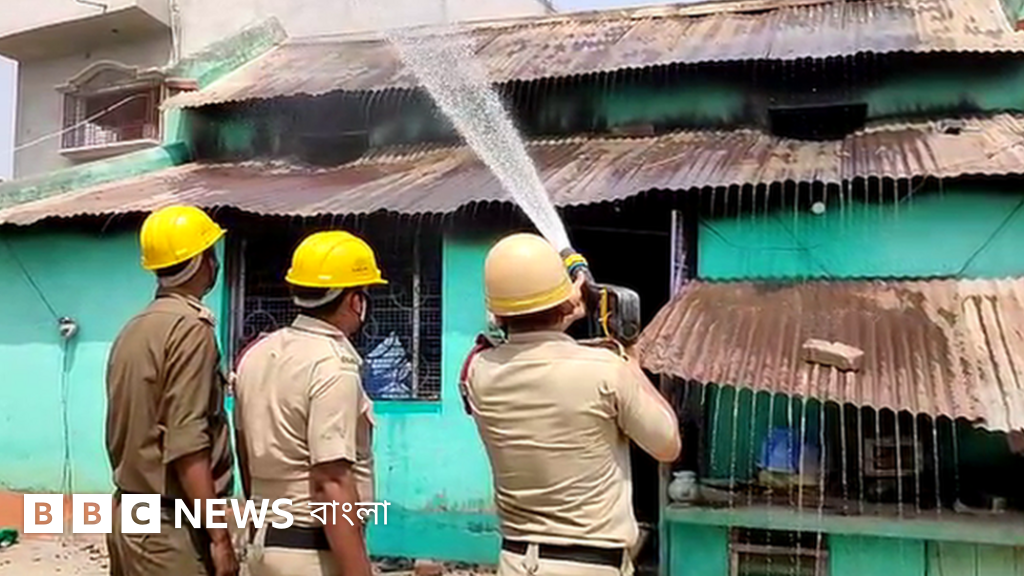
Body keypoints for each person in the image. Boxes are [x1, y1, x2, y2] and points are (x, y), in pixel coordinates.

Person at [461, 233, 682, 576]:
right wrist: (630, 360)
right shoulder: (608, 370)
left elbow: (534, 350)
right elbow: (667, 444)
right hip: (591, 566)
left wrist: (562, 306)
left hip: (516, 563)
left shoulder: (478, 372)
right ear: (566, 300)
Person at [233, 230, 382, 576]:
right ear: (355, 300)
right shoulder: (333, 365)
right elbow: (331, 481)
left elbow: (245, 453)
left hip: (262, 545)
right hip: (310, 550)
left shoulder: (256, 355)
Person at [105, 205, 238, 576]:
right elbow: (187, 442)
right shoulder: (191, 330)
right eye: (210, 254)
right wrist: (219, 536)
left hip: (129, 514)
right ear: (200, 262)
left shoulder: (134, 328)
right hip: (169, 526)